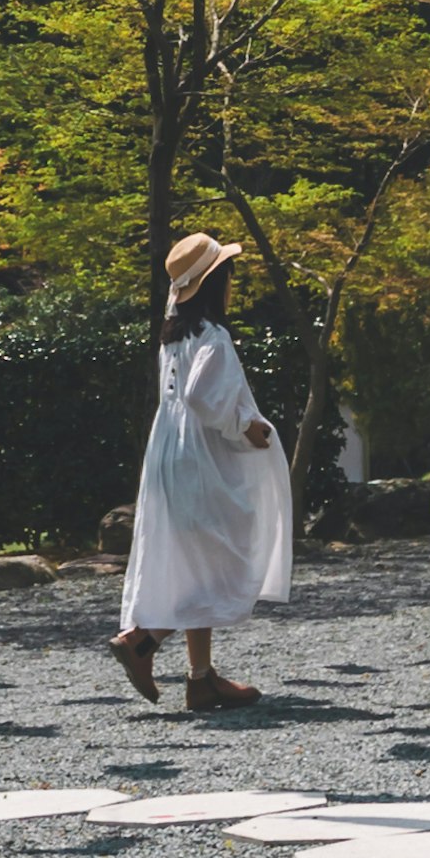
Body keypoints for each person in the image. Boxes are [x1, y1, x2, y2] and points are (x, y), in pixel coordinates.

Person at [111, 229, 292, 708]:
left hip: (170, 453)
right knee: (223, 557)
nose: (233, 283)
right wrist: (245, 426)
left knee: (197, 557)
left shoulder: (174, 337)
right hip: (200, 457)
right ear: (215, 283)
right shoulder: (213, 337)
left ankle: (201, 677)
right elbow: (201, 395)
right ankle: (142, 640)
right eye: (228, 275)